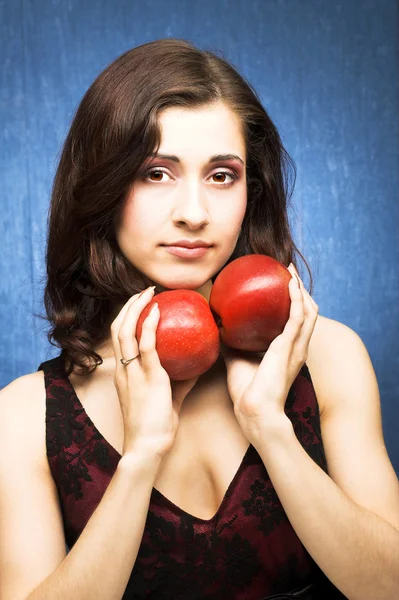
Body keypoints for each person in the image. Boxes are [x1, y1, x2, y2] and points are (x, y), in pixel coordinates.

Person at [0, 38, 398, 600]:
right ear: (103, 189)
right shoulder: (24, 418)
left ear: (249, 191)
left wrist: (271, 429)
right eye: (156, 173)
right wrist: (139, 461)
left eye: (221, 175)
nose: (193, 213)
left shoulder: (329, 357)